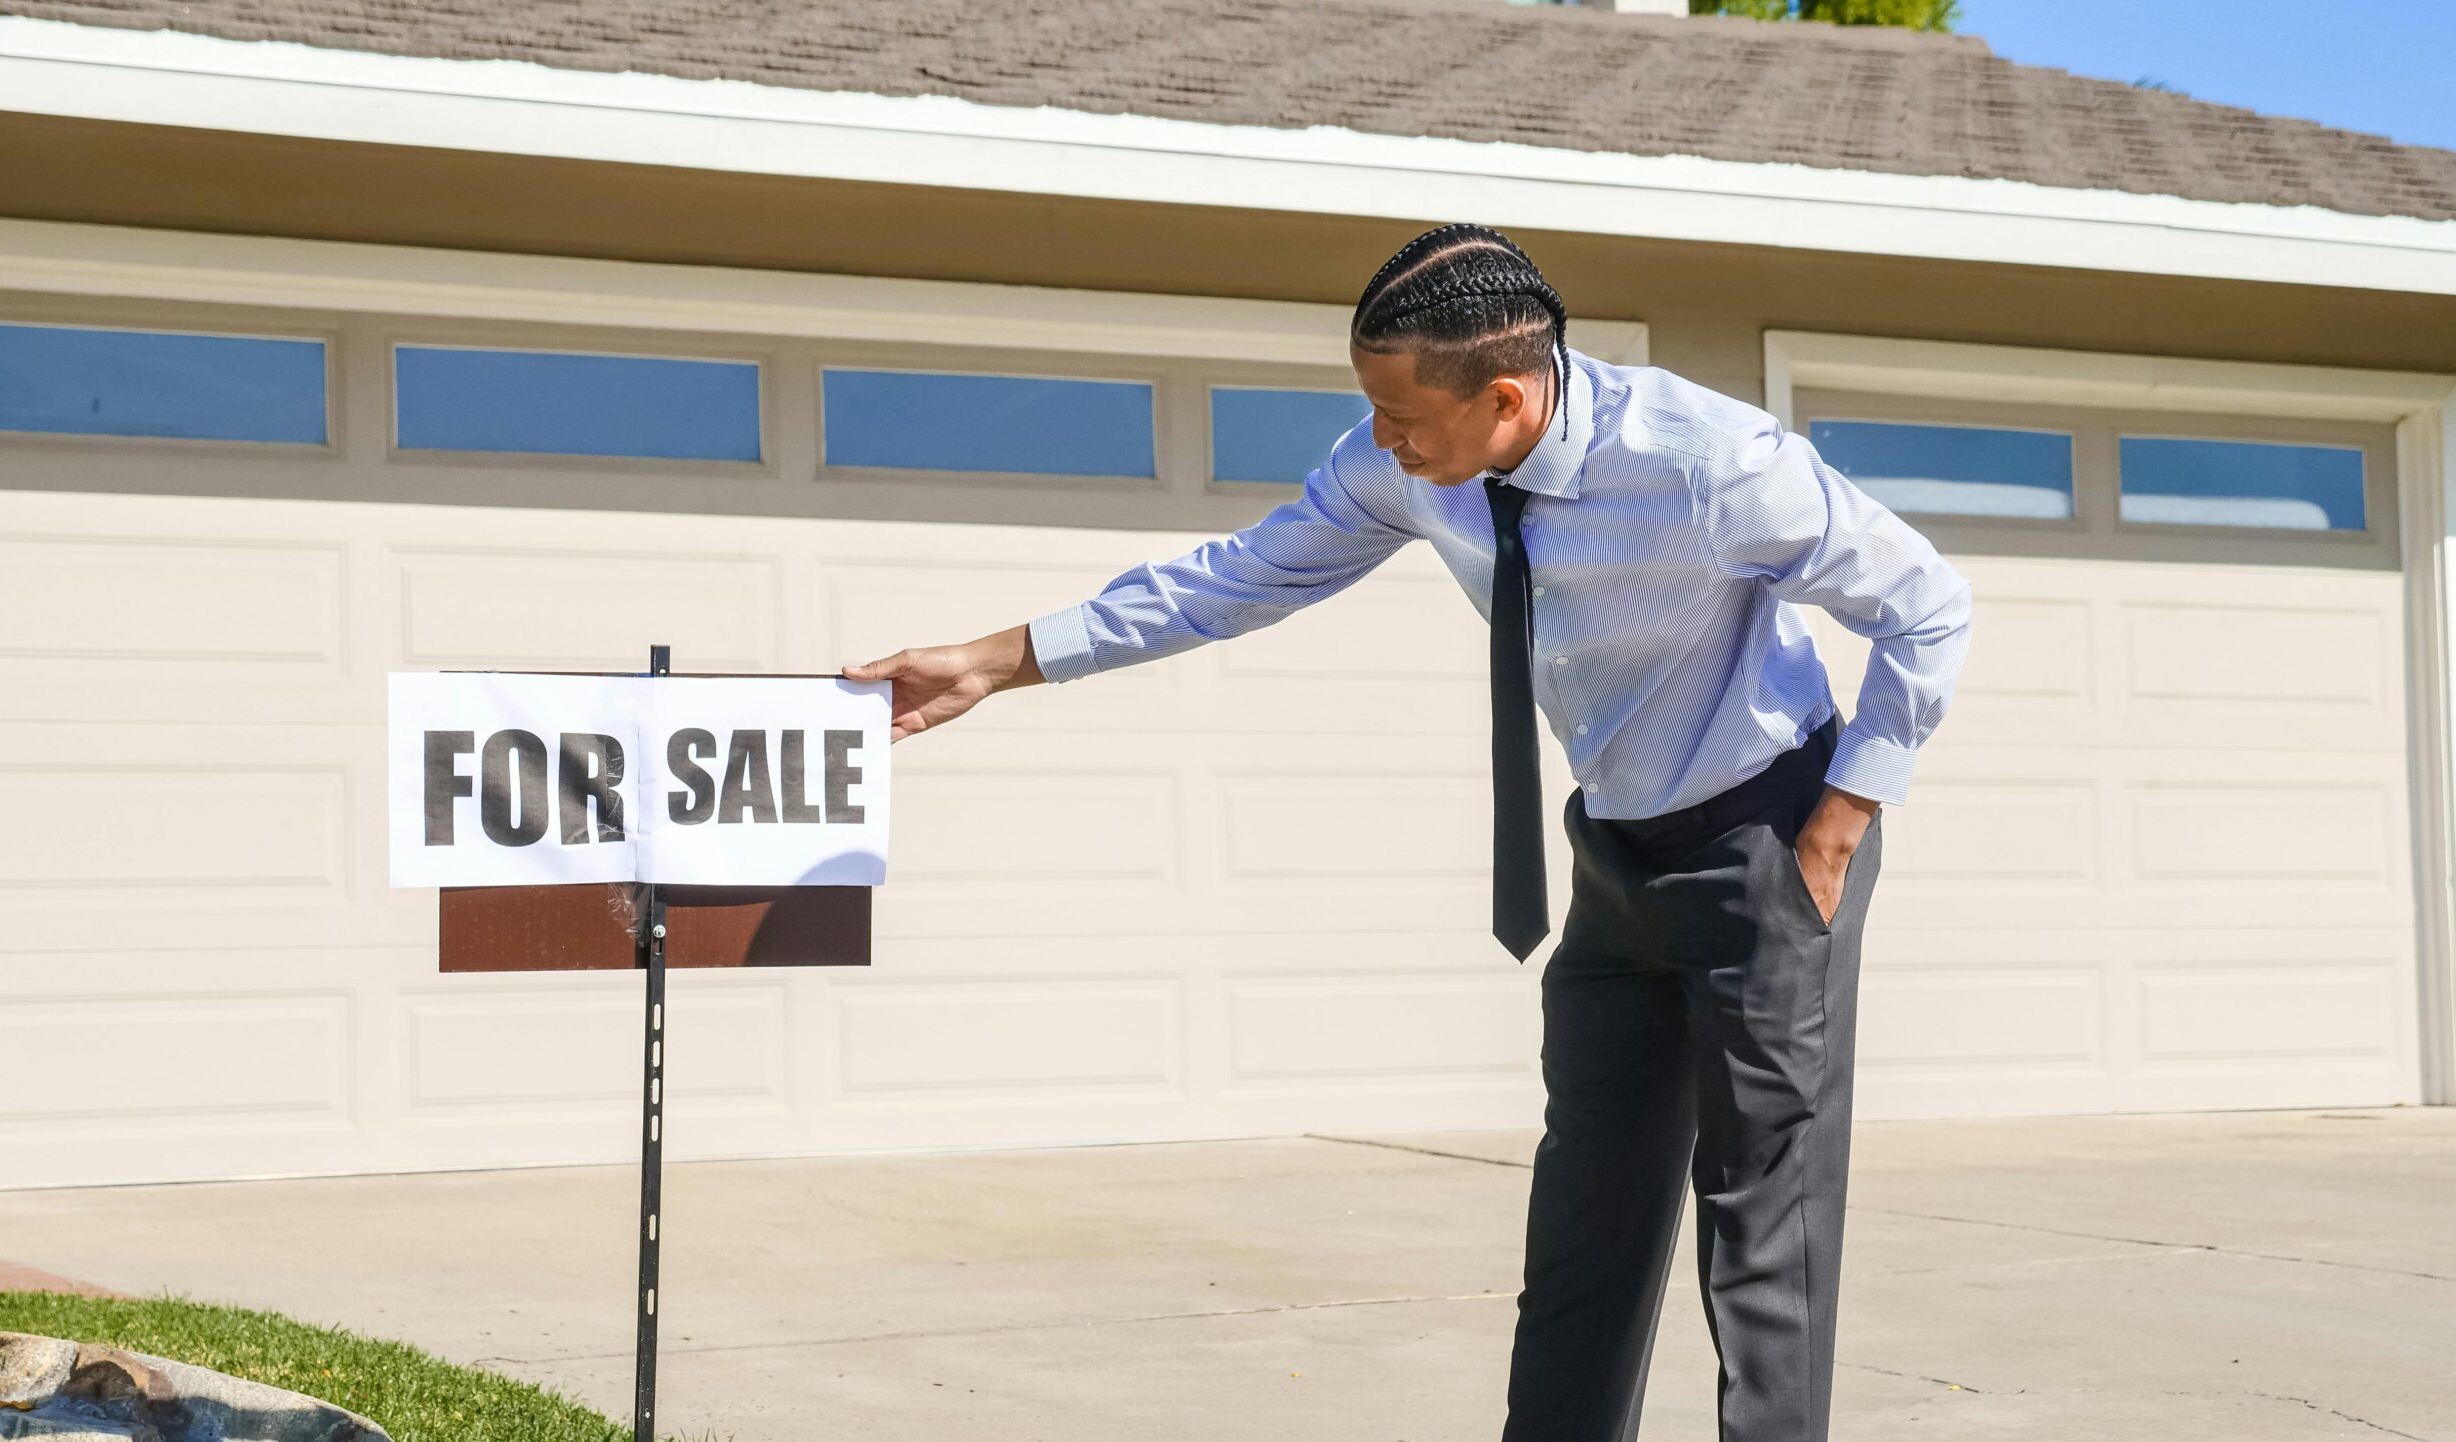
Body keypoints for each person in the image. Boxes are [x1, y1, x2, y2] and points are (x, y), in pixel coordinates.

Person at [844, 223, 1972, 1442]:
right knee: (1584, 1214)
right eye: (1372, 412)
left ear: (1504, 395)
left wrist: (1846, 814)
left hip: (1762, 840)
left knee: (1761, 1230)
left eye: (1401, 417)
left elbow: (1924, 601)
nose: (1380, 442)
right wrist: (998, 661)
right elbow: (1237, 577)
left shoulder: (1708, 463)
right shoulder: (1408, 461)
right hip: (1614, 855)